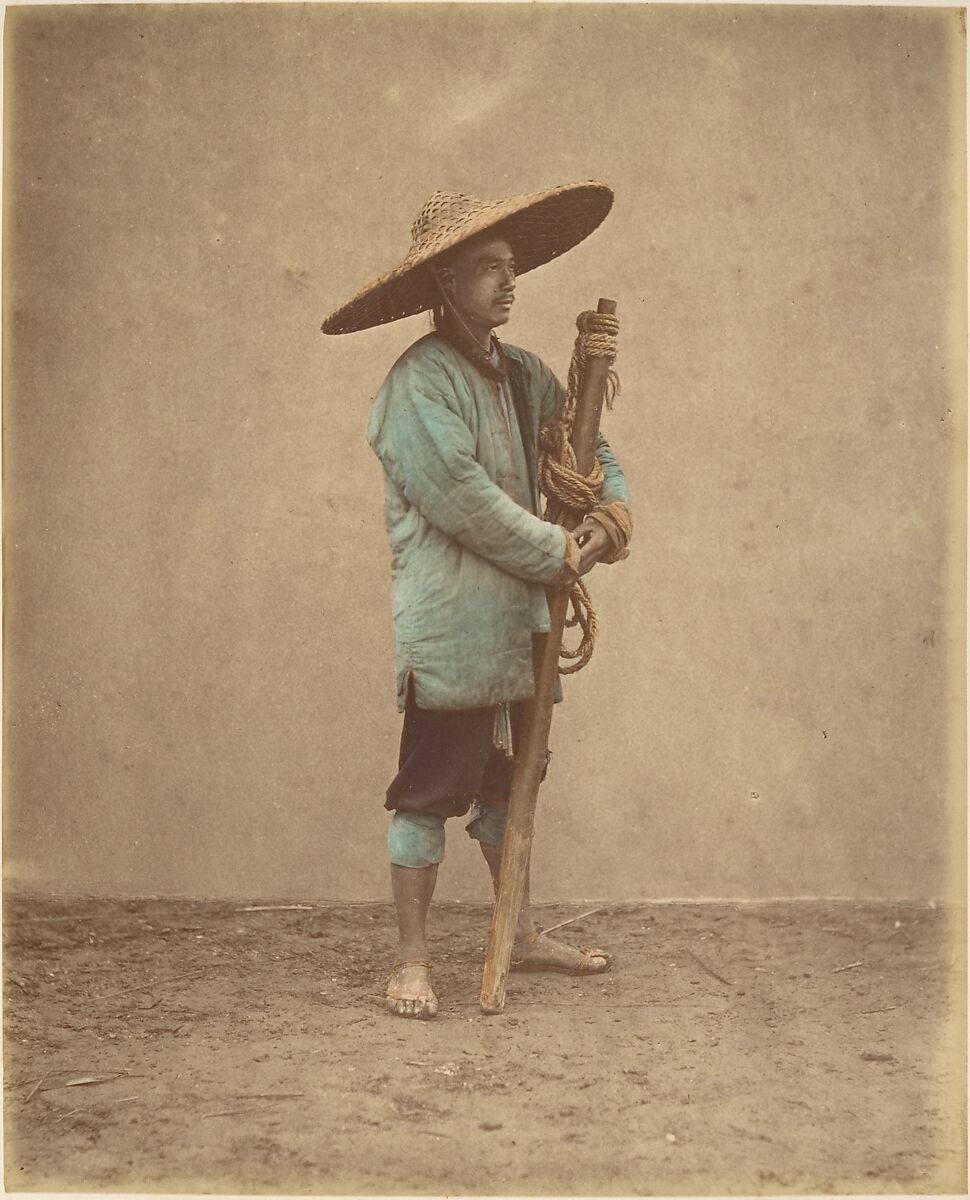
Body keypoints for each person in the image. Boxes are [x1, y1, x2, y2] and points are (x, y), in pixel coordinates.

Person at [322, 182, 633, 1019]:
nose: (508, 281)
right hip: (455, 628)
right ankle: (411, 963)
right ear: (444, 284)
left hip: (522, 626)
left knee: (512, 785)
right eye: (487, 268)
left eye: (510, 266)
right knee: (429, 791)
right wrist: (555, 551)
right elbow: (462, 498)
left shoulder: (525, 375)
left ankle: (518, 935)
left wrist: (608, 516)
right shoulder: (417, 387)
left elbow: (588, 447)